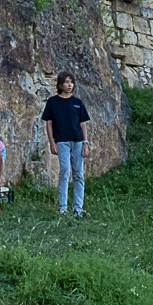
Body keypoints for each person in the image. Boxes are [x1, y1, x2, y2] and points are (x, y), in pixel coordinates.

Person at [42, 72, 91, 216]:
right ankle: (62, 207)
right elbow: (49, 123)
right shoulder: (53, 102)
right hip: (62, 141)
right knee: (64, 171)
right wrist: (52, 142)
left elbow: (83, 124)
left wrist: (85, 143)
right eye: (67, 82)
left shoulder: (77, 103)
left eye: (71, 82)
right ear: (60, 84)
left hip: (77, 141)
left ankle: (78, 208)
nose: (70, 85)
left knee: (78, 174)